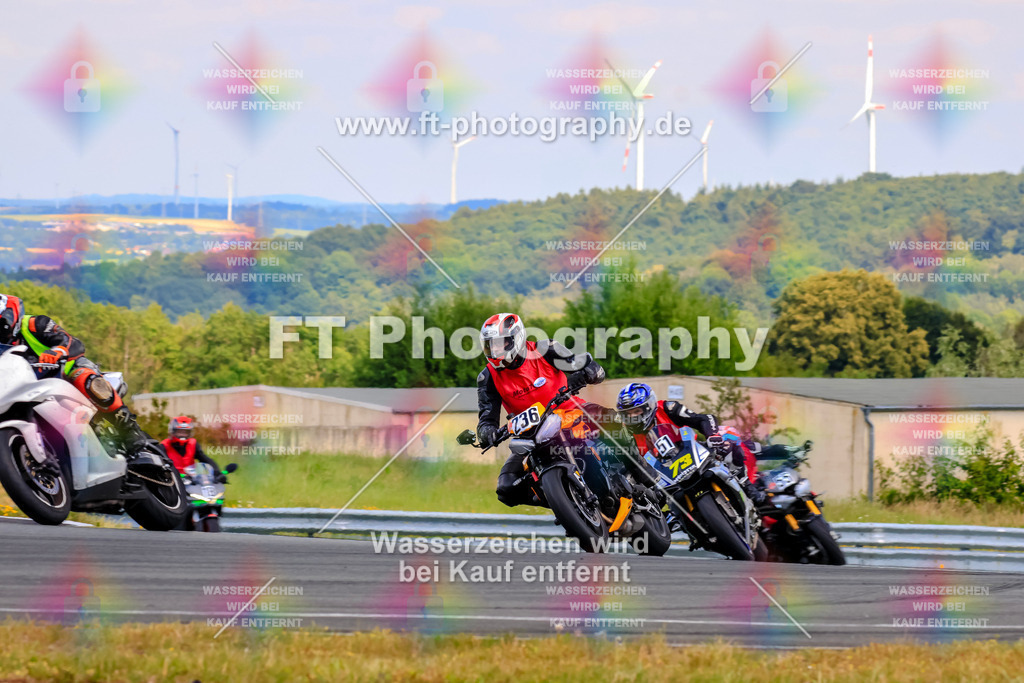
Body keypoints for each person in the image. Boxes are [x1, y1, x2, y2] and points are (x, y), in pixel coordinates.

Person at [475, 312, 606, 507]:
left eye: (500, 343)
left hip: (571, 413)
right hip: (533, 436)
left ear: (516, 338)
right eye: (490, 344)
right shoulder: (488, 378)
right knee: (506, 488)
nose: (495, 350)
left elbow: (581, 364)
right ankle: (566, 504)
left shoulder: (545, 349)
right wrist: (487, 433)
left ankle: (644, 474)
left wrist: (589, 371)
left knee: (613, 423)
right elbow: (486, 419)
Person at [0, 293, 150, 457]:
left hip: (64, 373)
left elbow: (72, 342)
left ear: (11, 313)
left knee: (83, 376)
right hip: (30, 391)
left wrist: (58, 350)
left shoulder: (34, 324)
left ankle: (129, 429)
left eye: (2, 322)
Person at [161, 416, 225, 481]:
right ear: (173, 431)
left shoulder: (193, 444)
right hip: (171, 480)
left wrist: (217, 472)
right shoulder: (164, 445)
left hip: (191, 481)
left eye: (185, 432)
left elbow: (205, 459)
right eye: (179, 431)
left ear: (190, 433)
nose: (182, 435)